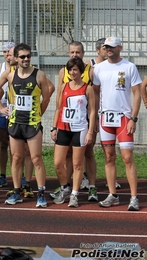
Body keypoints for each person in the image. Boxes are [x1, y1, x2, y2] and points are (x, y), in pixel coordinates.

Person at [0, 43, 51, 208]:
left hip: (32, 123)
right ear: (16, 58)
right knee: (16, 158)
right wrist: (1, 108)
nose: (26, 59)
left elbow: (46, 97)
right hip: (15, 122)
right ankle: (17, 191)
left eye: (28, 56)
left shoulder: (39, 75)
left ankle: (41, 193)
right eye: (22, 56)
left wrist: (39, 113)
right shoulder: (10, 74)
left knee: (36, 158)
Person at [93, 36, 141, 211]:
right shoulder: (98, 68)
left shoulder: (129, 67)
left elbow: (137, 93)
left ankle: (134, 197)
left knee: (127, 157)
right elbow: (96, 93)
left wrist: (133, 118)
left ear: (120, 47)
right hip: (105, 118)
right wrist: (96, 117)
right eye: (106, 46)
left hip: (123, 118)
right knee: (108, 157)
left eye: (112, 46)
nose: (109, 49)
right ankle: (112, 195)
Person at [51, 41, 98, 202]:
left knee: (84, 158)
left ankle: (82, 191)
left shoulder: (89, 78)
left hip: (82, 126)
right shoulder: (64, 80)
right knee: (59, 162)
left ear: (83, 53)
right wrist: (54, 126)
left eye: (77, 52)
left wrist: (92, 129)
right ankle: (66, 187)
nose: (74, 55)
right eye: (72, 52)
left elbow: (93, 107)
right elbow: (58, 105)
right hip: (64, 126)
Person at [89, 38, 122, 191]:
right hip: (96, 113)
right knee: (89, 147)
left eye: (109, 47)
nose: (106, 50)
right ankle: (87, 178)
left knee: (116, 154)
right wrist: (93, 115)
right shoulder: (93, 67)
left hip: (116, 114)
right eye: (104, 47)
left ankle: (112, 182)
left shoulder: (123, 67)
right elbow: (93, 91)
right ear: (98, 50)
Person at [0, 41, 16, 189]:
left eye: (10, 52)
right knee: (3, 144)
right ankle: (2, 175)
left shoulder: (21, 68)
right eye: (5, 52)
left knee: (16, 146)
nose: (7, 55)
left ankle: (17, 175)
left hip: (16, 111)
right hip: (3, 110)